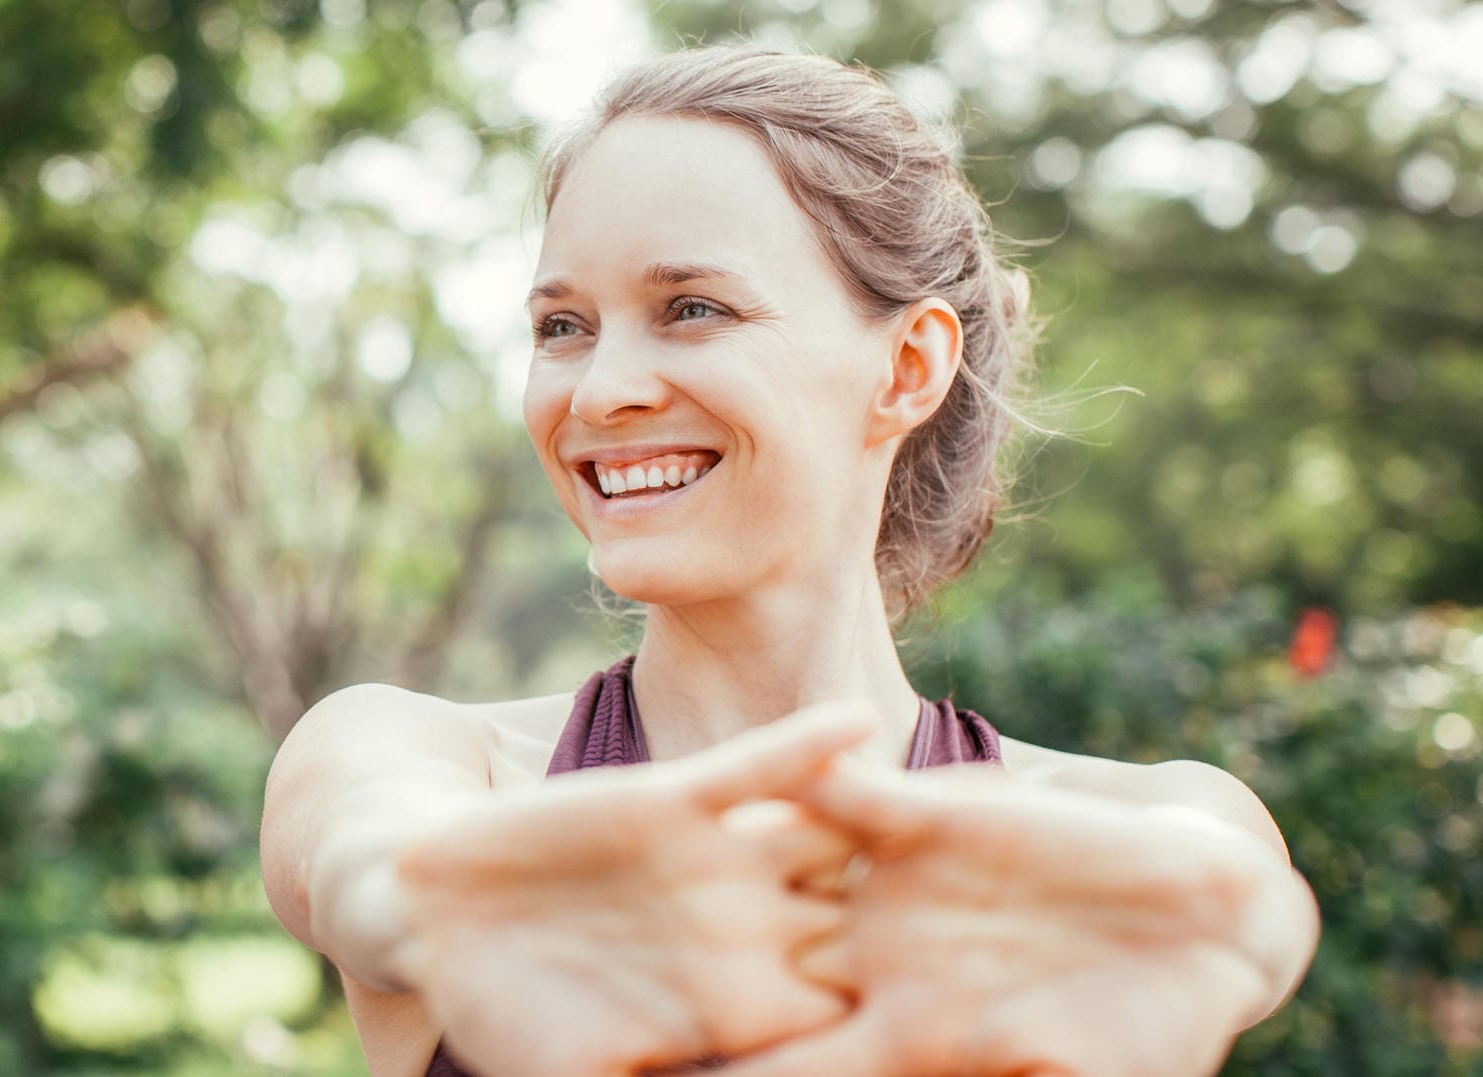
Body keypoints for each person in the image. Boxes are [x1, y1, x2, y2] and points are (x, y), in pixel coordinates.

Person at [260, 46, 1319, 1077]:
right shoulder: (431, 764)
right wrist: (466, 893)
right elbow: (367, 859)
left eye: (694, 308)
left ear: (908, 367)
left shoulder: (1106, 835)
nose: (596, 393)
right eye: (564, 326)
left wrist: (1231, 920)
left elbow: (1226, 887)